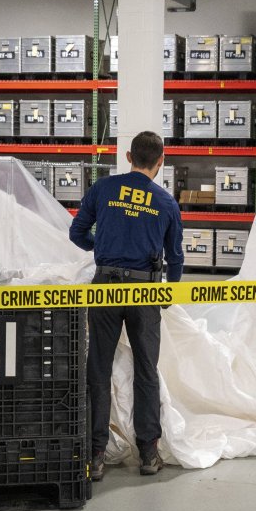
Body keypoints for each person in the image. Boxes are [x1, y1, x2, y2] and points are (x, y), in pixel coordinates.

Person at [69, 130, 184, 480]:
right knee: (146, 369)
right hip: (145, 290)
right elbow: (176, 257)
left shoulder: (104, 189)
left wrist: (102, 243)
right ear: (161, 161)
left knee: (98, 369)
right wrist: (167, 294)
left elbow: (76, 233)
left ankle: (96, 454)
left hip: (105, 287)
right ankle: (148, 452)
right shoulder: (165, 202)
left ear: (129, 157)